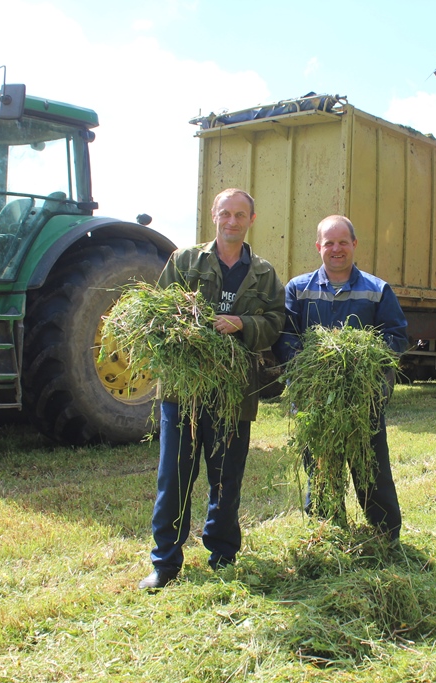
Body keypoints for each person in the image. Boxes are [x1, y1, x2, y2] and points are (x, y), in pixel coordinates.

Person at [139, 188, 285, 590]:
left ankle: (223, 555)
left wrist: (243, 324)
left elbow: (276, 322)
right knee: (175, 479)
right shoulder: (185, 261)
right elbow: (161, 313)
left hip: (234, 394)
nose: (232, 221)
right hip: (184, 393)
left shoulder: (264, 273)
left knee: (226, 480)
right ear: (214, 216)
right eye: (226, 214)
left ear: (251, 220)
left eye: (241, 215)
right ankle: (165, 563)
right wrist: (192, 327)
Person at [275, 214, 409, 541]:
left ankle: (385, 536)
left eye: (343, 242)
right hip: (314, 401)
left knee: (371, 470)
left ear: (354, 245)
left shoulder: (377, 290)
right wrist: (311, 371)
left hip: (364, 400)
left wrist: (362, 357)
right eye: (329, 243)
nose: (336, 249)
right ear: (319, 246)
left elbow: (397, 336)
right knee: (321, 470)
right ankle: (327, 533)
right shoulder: (298, 288)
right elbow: (285, 338)